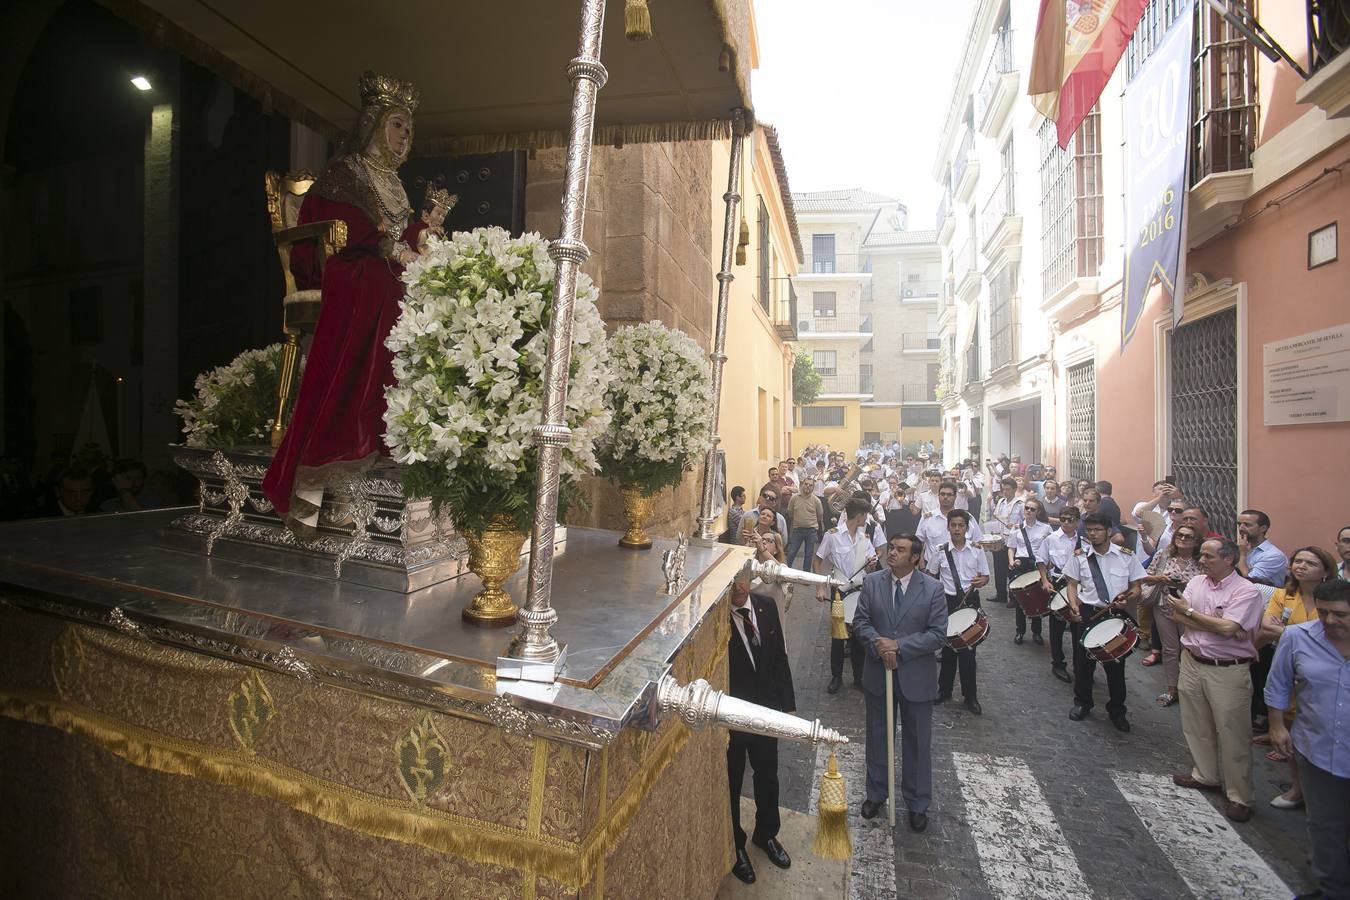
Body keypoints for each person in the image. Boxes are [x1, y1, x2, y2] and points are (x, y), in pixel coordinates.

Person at [262, 71, 422, 535]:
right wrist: (385, 246)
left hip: (381, 270)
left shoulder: (395, 183)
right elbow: (326, 229)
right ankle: (318, 481)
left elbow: (399, 238)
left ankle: (397, 446)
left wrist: (420, 236)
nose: (403, 135)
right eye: (397, 124)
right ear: (374, 124)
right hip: (347, 270)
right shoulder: (345, 171)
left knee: (424, 300)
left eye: (409, 129)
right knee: (381, 287)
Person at [852, 533, 947, 832]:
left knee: (918, 742)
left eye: (900, 550)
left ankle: (918, 802)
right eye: (891, 548)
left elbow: (937, 634)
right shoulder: (872, 582)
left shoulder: (933, 589)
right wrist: (879, 645)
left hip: (916, 677)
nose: (892, 553)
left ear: (915, 557)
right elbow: (860, 622)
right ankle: (876, 793)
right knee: (878, 736)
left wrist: (899, 646)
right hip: (879, 675)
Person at [1167, 538, 1265, 822]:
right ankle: (1205, 774)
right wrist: (1212, 623)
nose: (1202, 559)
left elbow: (1227, 627)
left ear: (1229, 560)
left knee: (1233, 731)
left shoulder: (1246, 592)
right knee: (1196, 722)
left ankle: (1240, 795)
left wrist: (1192, 615)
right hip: (1193, 660)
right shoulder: (1196, 583)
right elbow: (1178, 615)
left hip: (1227, 669)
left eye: (1208, 556)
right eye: (1202, 555)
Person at [1265, 580, 1350, 900]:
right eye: (1323, 612)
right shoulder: (1298, 637)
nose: (1329, 621)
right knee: (1324, 826)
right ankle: (1332, 889)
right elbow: (1278, 683)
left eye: (1340, 614)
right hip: (1317, 748)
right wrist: (1276, 726)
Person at [1253, 547, 1337, 809]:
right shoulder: (1283, 594)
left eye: (1310, 563)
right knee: (1289, 730)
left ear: (1325, 570)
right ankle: (1298, 788)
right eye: (1298, 561)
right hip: (1289, 668)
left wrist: (1288, 632)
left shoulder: (1333, 599)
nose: (1301, 566)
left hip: (1323, 674)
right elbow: (1267, 626)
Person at [725, 577, 795, 884]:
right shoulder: (715, 623)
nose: (737, 587)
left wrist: (786, 706)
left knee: (768, 775)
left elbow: (779, 656)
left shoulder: (765, 606)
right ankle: (734, 846)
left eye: (741, 579)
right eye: (730, 582)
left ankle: (766, 834)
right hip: (732, 718)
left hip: (766, 711)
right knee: (732, 782)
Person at [1064, 513, 1145, 732]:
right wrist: (1073, 605)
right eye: (1089, 530)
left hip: (1114, 614)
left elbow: (1137, 587)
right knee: (1083, 663)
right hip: (1089, 612)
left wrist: (1127, 598)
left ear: (1109, 531)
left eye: (1097, 529)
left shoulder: (1126, 556)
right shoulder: (1080, 556)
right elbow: (1072, 584)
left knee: (1116, 665)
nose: (1093, 534)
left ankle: (1117, 710)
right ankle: (1082, 703)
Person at [926, 509, 990, 715]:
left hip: (970, 602)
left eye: (961, 525)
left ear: (967, 528)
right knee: (947, 650)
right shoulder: (940, 550)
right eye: (953, 525)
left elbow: (985, 577)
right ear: (948, 527)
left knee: (968, 652)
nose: (957, 529)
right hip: (947, 602)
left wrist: (982, 581)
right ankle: (943, 690)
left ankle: (970, 697)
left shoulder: (977, 550)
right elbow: (931, 575)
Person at [815, 498, 878, 694]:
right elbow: (817, 561)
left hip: (861, 591)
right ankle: (836, 677)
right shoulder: (832, 536)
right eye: (865, 515)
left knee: (859, 635)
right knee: (838, 636)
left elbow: (871, 564)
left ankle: (859, 678)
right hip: (839, 591)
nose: (866, 518)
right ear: (859, 516)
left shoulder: (865, 538)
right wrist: (820, 587)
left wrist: (872, 564)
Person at [1141, 525, 1204, 706]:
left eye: (1188, 536)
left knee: (1189, 648)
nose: (1183, 539)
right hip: (1164, 605)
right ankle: (1171, 688)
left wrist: (1186, 584)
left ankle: (1188, 688)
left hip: (1190, 610)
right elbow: (1146, 576)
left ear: (1196, 541)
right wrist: (1160, 578)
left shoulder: (1201, 561)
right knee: (1170, 649)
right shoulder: (1164, 554)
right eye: (1180, 535)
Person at [1038, 505, 1083, 683]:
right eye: (1062, 519)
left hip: (1078, 585)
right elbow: (1041, 561)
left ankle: (1079, 665)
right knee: (1056, 626)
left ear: (1077, 522)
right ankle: (1058, 663)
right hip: (1057, 582)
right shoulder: (1051, 539)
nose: (1065, 523)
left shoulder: (1084, 541)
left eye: (1070, 520)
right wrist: (1045, 581)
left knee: (1077, 626)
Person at [1006, 497, 1052, 645]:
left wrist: (1048, 566)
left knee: (1037, 599)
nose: (1029, 511)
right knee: (1020, 599)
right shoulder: (1017, 528)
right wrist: (1012, 561)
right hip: (1021, 564)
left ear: (1038, 512)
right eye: (1027, 508)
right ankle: (1020, 631)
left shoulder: (1045, 528)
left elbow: (1050, 549)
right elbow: (1011, 547)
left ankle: (1036, 632)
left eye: (1032, 509)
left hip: (1037, 565)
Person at [917, 482, 982, 567]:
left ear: (955, 497)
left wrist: (979, 570)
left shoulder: (967, 518)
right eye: (942, 494)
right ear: (938, 496)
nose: (945, 497)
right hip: (933, 570)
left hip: (962, 568)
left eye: (949, 494)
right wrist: (922, 568)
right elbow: (919, 544)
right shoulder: (927, 518)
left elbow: (977, 543)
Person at [991, 477, 1023, 609]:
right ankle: (1000, 594)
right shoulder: (1001, 502)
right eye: (1003, 489)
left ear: (1015, 489)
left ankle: (1013, 597)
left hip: (1013, 540)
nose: (1005, 492)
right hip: (999, 538)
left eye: (1008, 489)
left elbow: (1025, 522)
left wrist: (1015, 525)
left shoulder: (1020, 504)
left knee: (1012, 569)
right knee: (998, 568)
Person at [1236, 509, 1288, 587]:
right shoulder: (1243, 548)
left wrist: (1242, 555)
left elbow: (1248, 582)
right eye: (1239, 524)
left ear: (1263, 528)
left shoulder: (1273, 555)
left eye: (1247, 525)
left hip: (1264, 598)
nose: (1241, 528)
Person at [784, 478, 823, 569]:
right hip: (797, 530)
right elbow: (790, 512)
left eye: (810, 485)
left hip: (811, 531)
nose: (807, 486)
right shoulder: (794, 498)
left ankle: (805, 575)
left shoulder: (816, 500)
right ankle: (784, 572)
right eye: (806, 484)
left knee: (809, 554)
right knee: (791, 552)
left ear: (813, 487)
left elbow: (819, 515)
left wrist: (811, 523)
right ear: (802, 485)